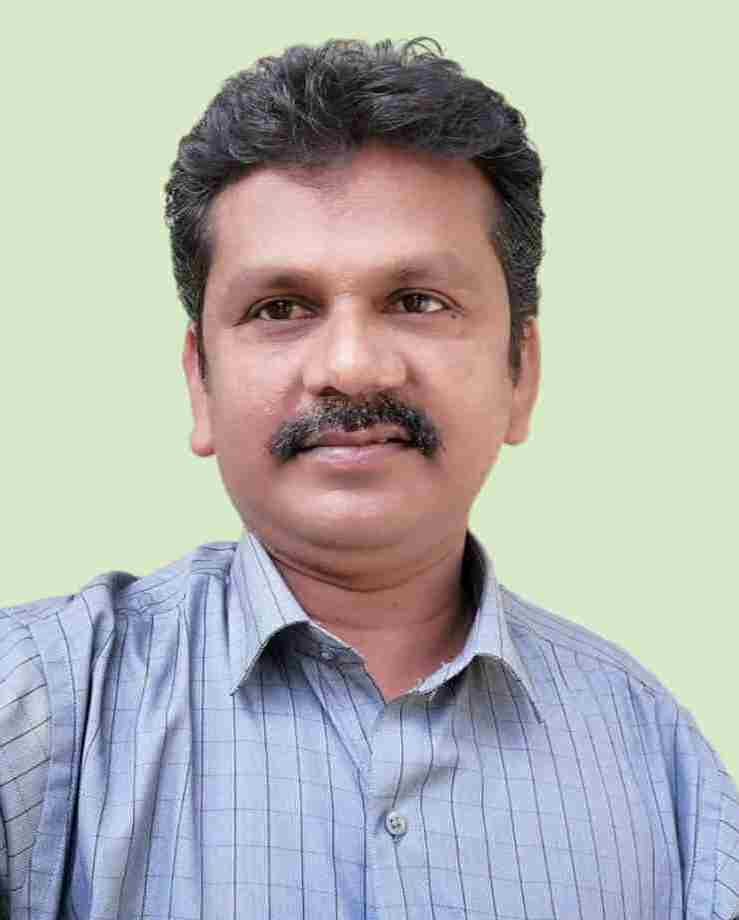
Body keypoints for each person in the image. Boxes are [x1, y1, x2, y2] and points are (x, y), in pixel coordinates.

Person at [0, 36, 736, 920]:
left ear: (520, 373)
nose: (350, 367)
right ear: (201, 383)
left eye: (418, 302)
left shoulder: (655, 756)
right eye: (280, 308)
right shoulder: (35, 706)